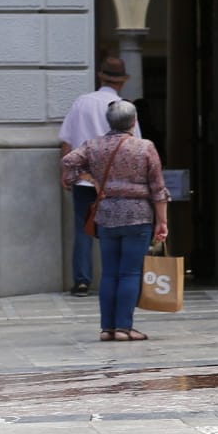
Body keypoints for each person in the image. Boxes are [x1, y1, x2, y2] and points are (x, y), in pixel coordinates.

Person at [61, 99, 170, 342]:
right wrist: (162, 221)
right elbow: (158, 188)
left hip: (107, 213)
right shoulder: (145, 147)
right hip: (138, 214)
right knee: (130, 272)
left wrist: (85, 178)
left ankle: (107, 328)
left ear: (109, 121)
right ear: (134, 121)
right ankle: (124, 327)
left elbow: (68, 161)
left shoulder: (93, 145)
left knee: (109, 272)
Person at [57, 54, 137, 297]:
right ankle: (112, 278)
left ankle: (82, 281)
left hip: (85, 178)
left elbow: (66, 141)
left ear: (100, 76)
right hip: (116, 182)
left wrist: (64, 172)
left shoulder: (81, 102)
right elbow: (135, 145)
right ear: (122, 81)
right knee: (116, 229)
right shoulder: (126, 107)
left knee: (83, 229)